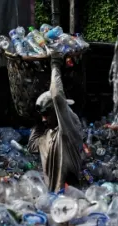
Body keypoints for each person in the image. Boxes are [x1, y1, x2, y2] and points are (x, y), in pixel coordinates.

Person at [27, 52, 82, 192]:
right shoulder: (45, 138)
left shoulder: (68, 131)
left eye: (47, 114)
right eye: (42, 115)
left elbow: (57, 95)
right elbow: (32, 145)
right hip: (53, 200)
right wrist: (38, 117)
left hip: (71, 198)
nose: (44, 119)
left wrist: (55, 64)